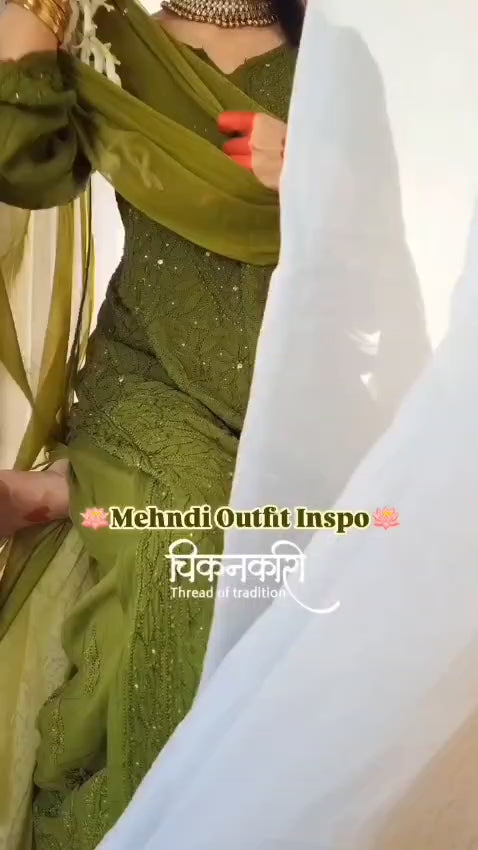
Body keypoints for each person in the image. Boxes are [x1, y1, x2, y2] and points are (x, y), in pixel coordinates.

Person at [0, 0, 430, 848]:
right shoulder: (112, 43)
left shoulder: (334, 59)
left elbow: (380, 265)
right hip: (149, 374)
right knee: (191, 553)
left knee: (330, 599)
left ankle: (71, 488)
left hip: (299, 387)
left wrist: (316, 181)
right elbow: (28, 168)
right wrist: (30, 29)